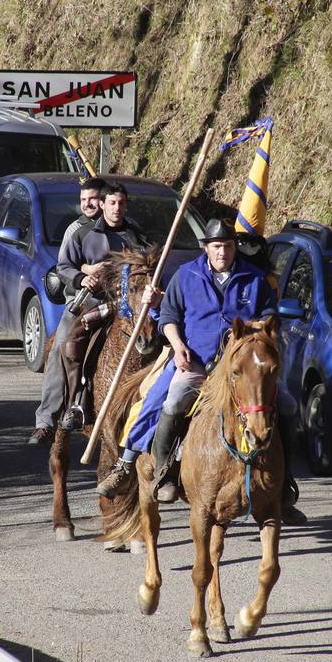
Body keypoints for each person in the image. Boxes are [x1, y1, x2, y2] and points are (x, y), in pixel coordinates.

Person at [98, 219, 305, 523]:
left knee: (286, 404)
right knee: (168, 400)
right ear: (207, 248)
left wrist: (258, 333)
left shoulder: (255, 279)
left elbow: (269, 318)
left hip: (241, 369)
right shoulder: (186, 276)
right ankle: (158, 470)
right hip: (196, 361)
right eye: (217, 246)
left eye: (229, 246)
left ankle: (284, 484)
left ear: (235, 248)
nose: (223, 252)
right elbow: (168, 316)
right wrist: (177, 344)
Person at [45, 181, 150, 433]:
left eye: (121, 203)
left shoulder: (136, 233)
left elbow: (147, 263)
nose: (117, 208)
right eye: (112, 203)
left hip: (128, 304)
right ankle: (64, 409)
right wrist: (84, 276)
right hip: (92, 302)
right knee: (66, 342)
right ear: (103, 205)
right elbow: (63, 267)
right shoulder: (82, 232)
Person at [27, 176, 105, 445]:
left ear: (105, 200)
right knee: (60, 348)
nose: (87, 205)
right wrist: (84, 275)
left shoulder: (127, 230)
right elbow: (63, 267)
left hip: (120, 303)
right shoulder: (76, 229)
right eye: (83, 200)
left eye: (92, 199)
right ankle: (46, 420)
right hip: (83, 303)